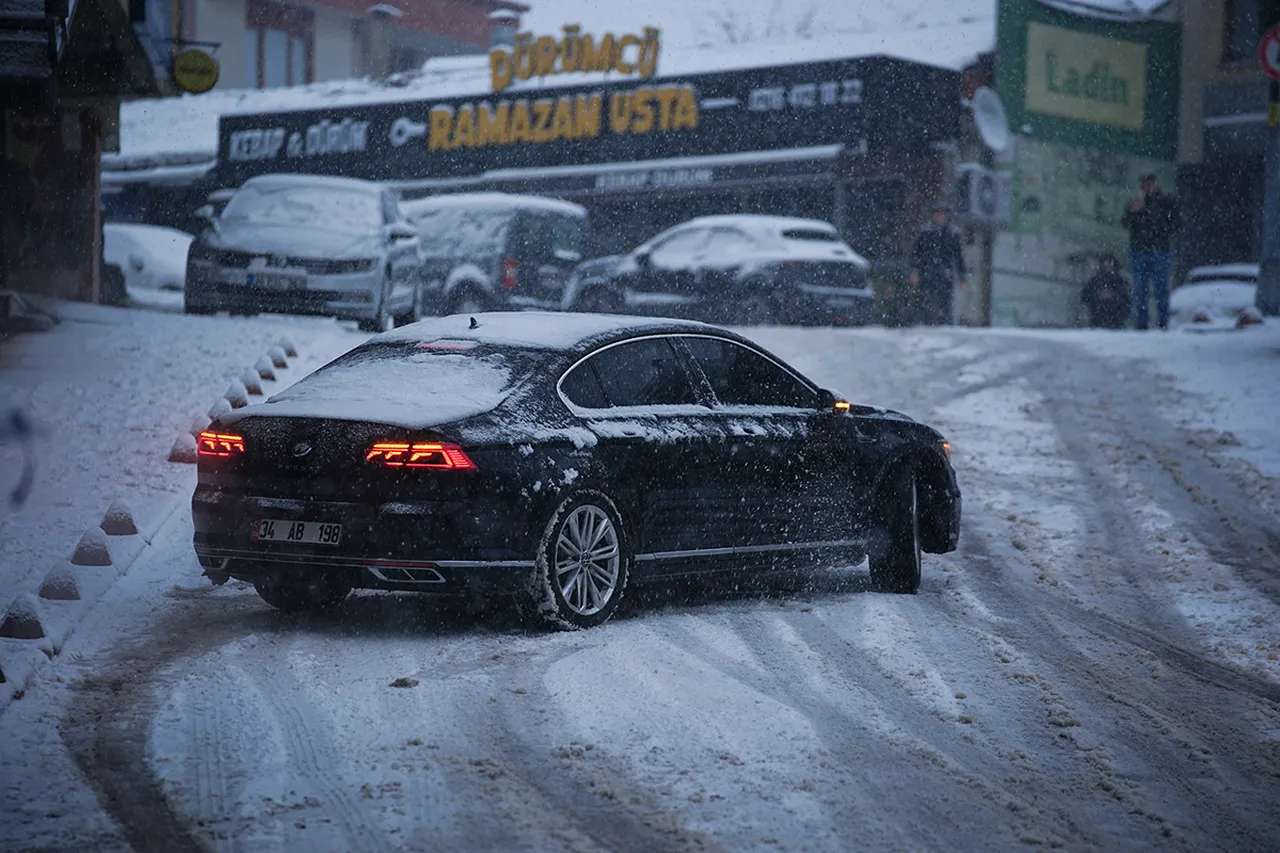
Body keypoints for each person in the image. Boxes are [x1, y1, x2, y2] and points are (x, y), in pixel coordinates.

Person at [1121, 173, 1179, 330]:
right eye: (1143, 184)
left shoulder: (1166, 202)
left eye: (1149, 184)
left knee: (1161, 288)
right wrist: (1134, 212)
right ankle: (1142, 323)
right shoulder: (1135, 203)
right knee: (1140, 290)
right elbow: (1126, 223)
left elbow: (1173, 224)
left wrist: (1151, 213)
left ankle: (1163, 323)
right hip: (1139, 251)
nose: (1146, 187)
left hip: (1159, 251)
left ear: (1155, 184)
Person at [908, 204, 966, 325]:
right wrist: (914, 271)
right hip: (927, 272)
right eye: (937, 214)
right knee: (926, 300)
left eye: (942, 214)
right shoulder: (925, 233)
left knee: (945, 302)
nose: (939, 217)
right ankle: (925, 323)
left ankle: (944, 324)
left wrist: (961, 276)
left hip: (946, 273)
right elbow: (916, 254)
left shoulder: (953, 234)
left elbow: (958, 257)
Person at [1081, 254, 1133, 329]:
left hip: (1117, 321)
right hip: (1097, 321)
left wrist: (1113, 296)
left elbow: (1127, 301)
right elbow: (1084, 296)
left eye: (1110, 265)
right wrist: (1098, 295)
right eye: (1106, 265)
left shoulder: (1121, 282)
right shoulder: (1095, 281)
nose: (1108, 269)